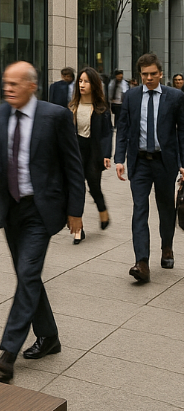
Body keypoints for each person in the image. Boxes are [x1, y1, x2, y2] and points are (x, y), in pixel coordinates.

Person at [0, 61, 84, 383]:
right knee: (28, 276)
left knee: (27, 273)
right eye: (5, 83)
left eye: (14, 84)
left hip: (41, 210)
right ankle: (49, 336)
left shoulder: (55, 116)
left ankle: (8, 353)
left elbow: (73, 166)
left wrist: (75, 210)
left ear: (32, 86)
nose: (7, 88)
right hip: (12, 209)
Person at [114, 53, 184, 283]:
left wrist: (183, 164)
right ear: (140, 75)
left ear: (161, 73)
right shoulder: (131, 96)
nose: (149, 78)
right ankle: (141, 262)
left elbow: (182, 132)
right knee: (139, 209)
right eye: (145, 74)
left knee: (166, 208)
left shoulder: (175, 97)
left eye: (153, 73)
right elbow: (123, 128)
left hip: (166, 162)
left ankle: (167, 247)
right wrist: (119, 159)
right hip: (140, 162)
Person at [68, 67, 113, 244]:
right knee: (76, 189)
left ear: (94, 84)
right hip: (76, 152)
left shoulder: (101, 108)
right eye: (80, 81)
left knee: (94, 186)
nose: (82, 84)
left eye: (86, 81)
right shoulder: (72, 107)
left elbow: (108, 133)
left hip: (94, 152)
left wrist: (106, 154)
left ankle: (103, 211)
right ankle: (78, 229)